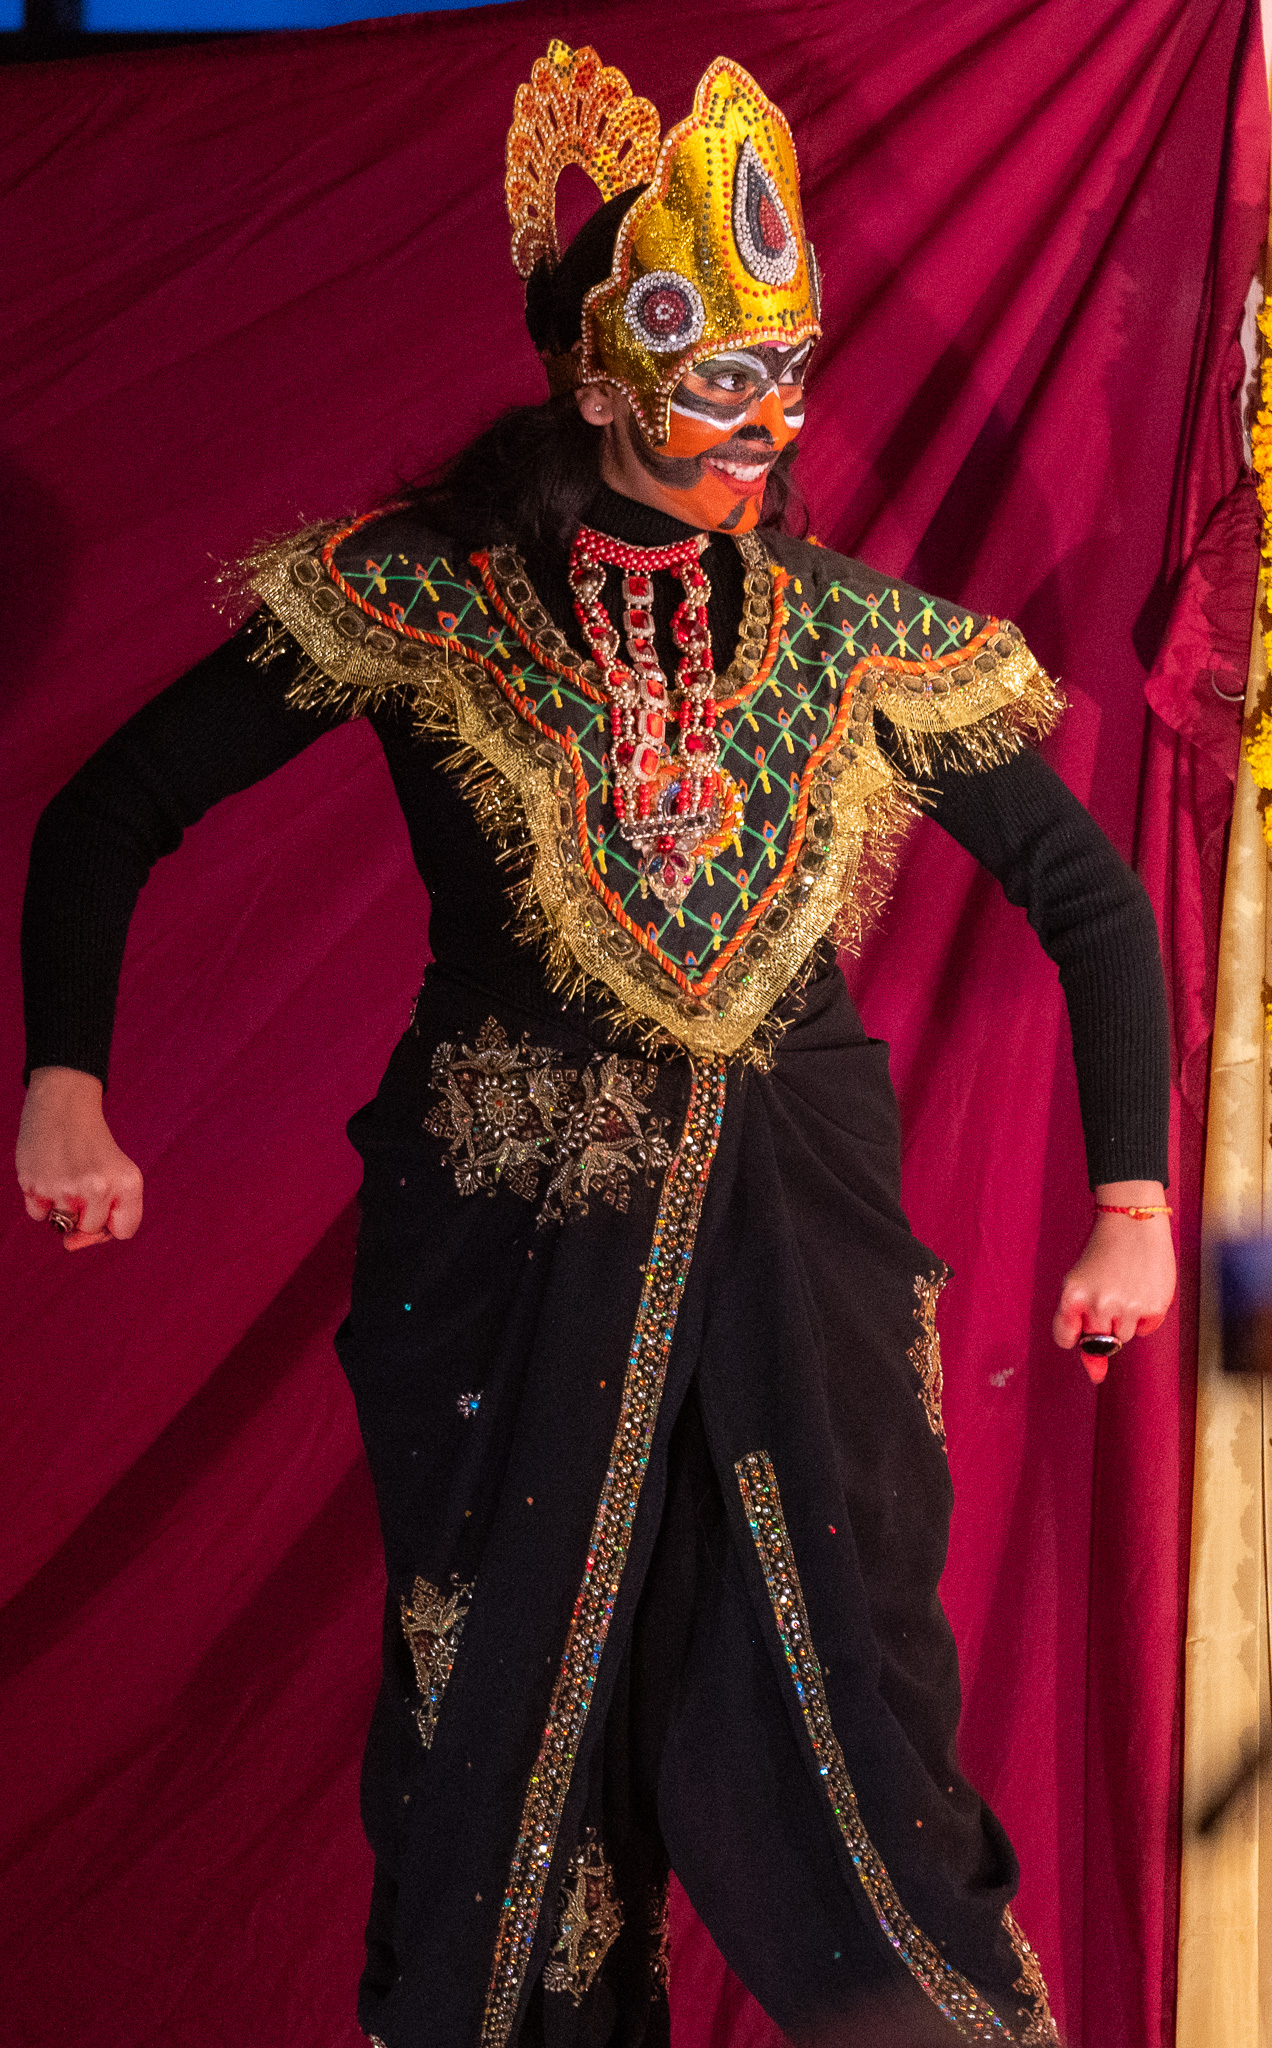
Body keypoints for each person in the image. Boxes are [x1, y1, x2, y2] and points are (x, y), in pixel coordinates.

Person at [15, 42, 1175, 2048]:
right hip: (509, 1245)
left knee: (857, 1705)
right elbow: (108, 807)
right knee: (502, 1727)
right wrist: (65, 1082)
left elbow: (1085, 892)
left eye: (790, 370)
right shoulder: (422, 595)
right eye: (723, 376)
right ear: (601, 376)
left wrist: (1136, 1200)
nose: (771, 422)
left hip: (799, 1247)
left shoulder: (850, 635)